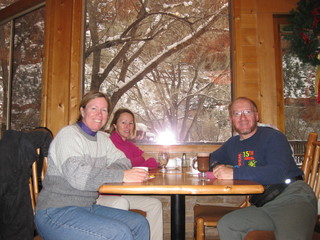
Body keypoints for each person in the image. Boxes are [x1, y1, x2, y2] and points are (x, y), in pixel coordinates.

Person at [34, 91, 150, 240]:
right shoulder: (68, 135)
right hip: (55, 212)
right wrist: (121, 175)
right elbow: (79, 177)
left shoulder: (103, 139)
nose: (99, 114)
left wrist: (101, 172)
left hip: (87, 207)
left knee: (140, 223)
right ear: (82, 111)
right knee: (119, 233)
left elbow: (124, 161)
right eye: (93, 108)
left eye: (104, 110)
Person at [210, 97, 317, 240]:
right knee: (227, 224)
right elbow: (211, 159)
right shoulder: (233, 144)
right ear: (231, 119)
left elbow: (277, 173)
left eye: (247, 112)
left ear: (257, 115)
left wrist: (234, 172)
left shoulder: (273, 137)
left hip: (292, 197)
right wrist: (216, 166)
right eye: (237, 113)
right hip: (264, 205)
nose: (242, 117)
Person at [96, 108, 163, 240]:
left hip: (120, 193)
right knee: (121, 203)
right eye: (123, 123)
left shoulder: (128, 144)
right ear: (115, 125)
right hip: (102, 195)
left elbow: (150, 161)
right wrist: (138, 161)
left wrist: (137, 162)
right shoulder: (110, 143)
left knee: (155, 204)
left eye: (131, 123)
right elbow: (127, 164)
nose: (127, 127)